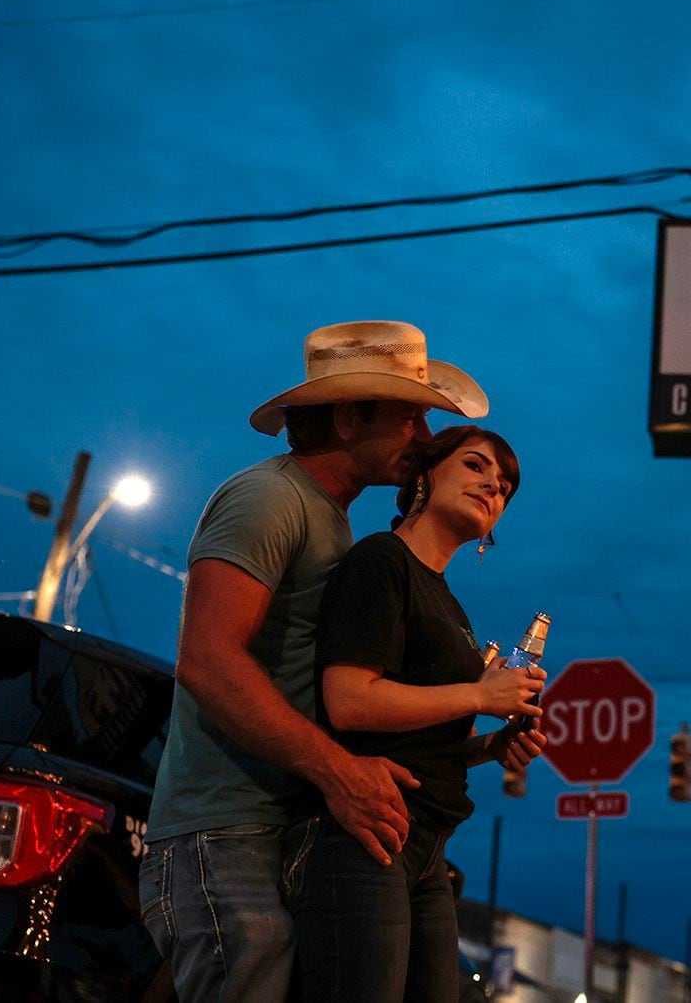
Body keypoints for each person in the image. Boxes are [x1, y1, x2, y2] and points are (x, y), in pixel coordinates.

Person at [140, 320, 488, 1002]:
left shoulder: (333, 520)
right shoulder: (268, 497)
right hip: (224, 833)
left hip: (280, 829)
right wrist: (339, 772)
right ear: (352, 416)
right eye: (409, 416)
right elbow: (208, 660)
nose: (423, 437)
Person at [289, 425, 546, 1002]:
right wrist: (481, 696)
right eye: (476, 466)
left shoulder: (448, 603)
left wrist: (490, 748)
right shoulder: (382, 562)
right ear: (426, 475)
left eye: (504, 486)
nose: (492, 487)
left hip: (431, 846)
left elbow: (424, 732)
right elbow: (350, 701)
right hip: (370, 835)